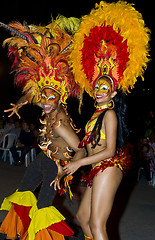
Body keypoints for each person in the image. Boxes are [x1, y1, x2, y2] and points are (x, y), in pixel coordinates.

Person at [53, 2, 150, 240]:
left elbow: (108, 151)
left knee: (97, 225)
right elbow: (84, 148)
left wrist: (78, 165)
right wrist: (66, 168)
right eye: (97, 85)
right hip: (96, 169)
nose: (99, 89)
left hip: (108, 166)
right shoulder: (94, 116)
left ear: (113, 93)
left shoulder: (109, 114)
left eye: (104, 87)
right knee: (82, 219)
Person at [0, 17, 85, 240]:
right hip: (42, 158)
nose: (46, 101)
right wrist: (19, 103)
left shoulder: (60, 122)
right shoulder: (49, 106)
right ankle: (19, 231)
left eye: (51, 97)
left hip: (54, 166)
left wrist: (65, 170)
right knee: (23, 192)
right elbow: (31, 96)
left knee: (43, 207)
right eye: (44, 96)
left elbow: (80, 148)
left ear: (61, 97)